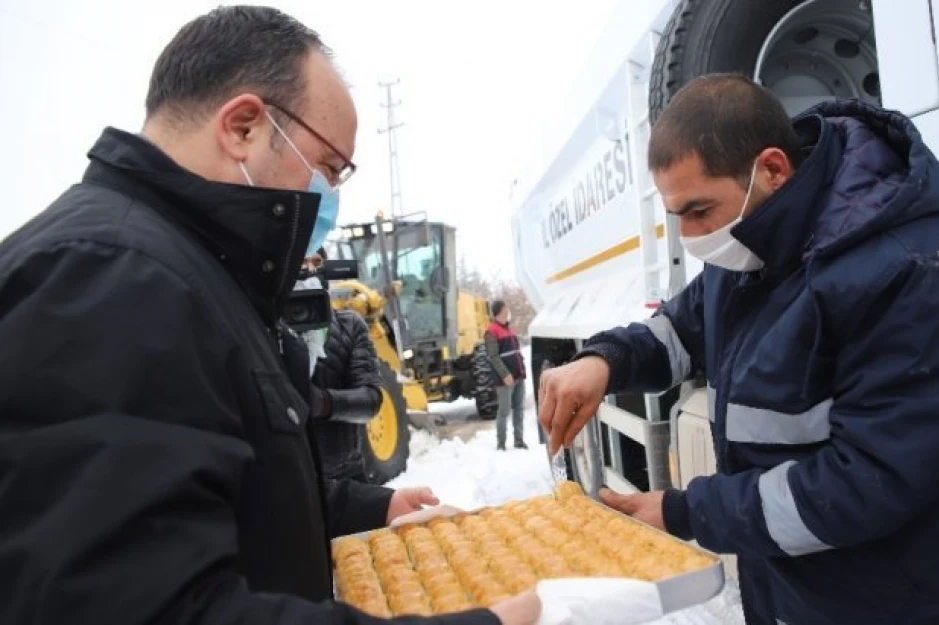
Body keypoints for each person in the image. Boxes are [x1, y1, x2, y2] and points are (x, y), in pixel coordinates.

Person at [0, 6, 538, 624]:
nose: (331, 196)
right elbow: (134, 604)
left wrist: (366, 508)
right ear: (244, 127)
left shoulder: (191, 274)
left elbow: (217, 499)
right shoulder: (108, 278)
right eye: (330, 166)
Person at [538, 74, 939, 625]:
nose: (687, 235)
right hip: (810, 598)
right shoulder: (751, 246)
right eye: (675, 215)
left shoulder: (916, 274)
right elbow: (681, 329)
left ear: (772, 170)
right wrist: (603, 362)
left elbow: (868, 483)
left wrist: (687, 510)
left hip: (920, 602)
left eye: (699, 211)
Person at [295, 248, 439, 536]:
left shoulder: (349, 326)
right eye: (301, 263)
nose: (309, 271)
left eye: (316, 263)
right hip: (293, 489)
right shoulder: (262, 330)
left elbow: (372, 399)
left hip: (348, 483)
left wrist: (324, 403)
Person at [485, 300, 527, 450]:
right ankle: (501, 443)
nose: (508, 310)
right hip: (505, 379)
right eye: (506, 308)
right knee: (504, 411)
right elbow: (493, 357)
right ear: (500, 311)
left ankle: (519, 440)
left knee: (519, 408)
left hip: (518, 375)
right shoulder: (491, 331)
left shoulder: (509, 329)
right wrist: (505, 375)